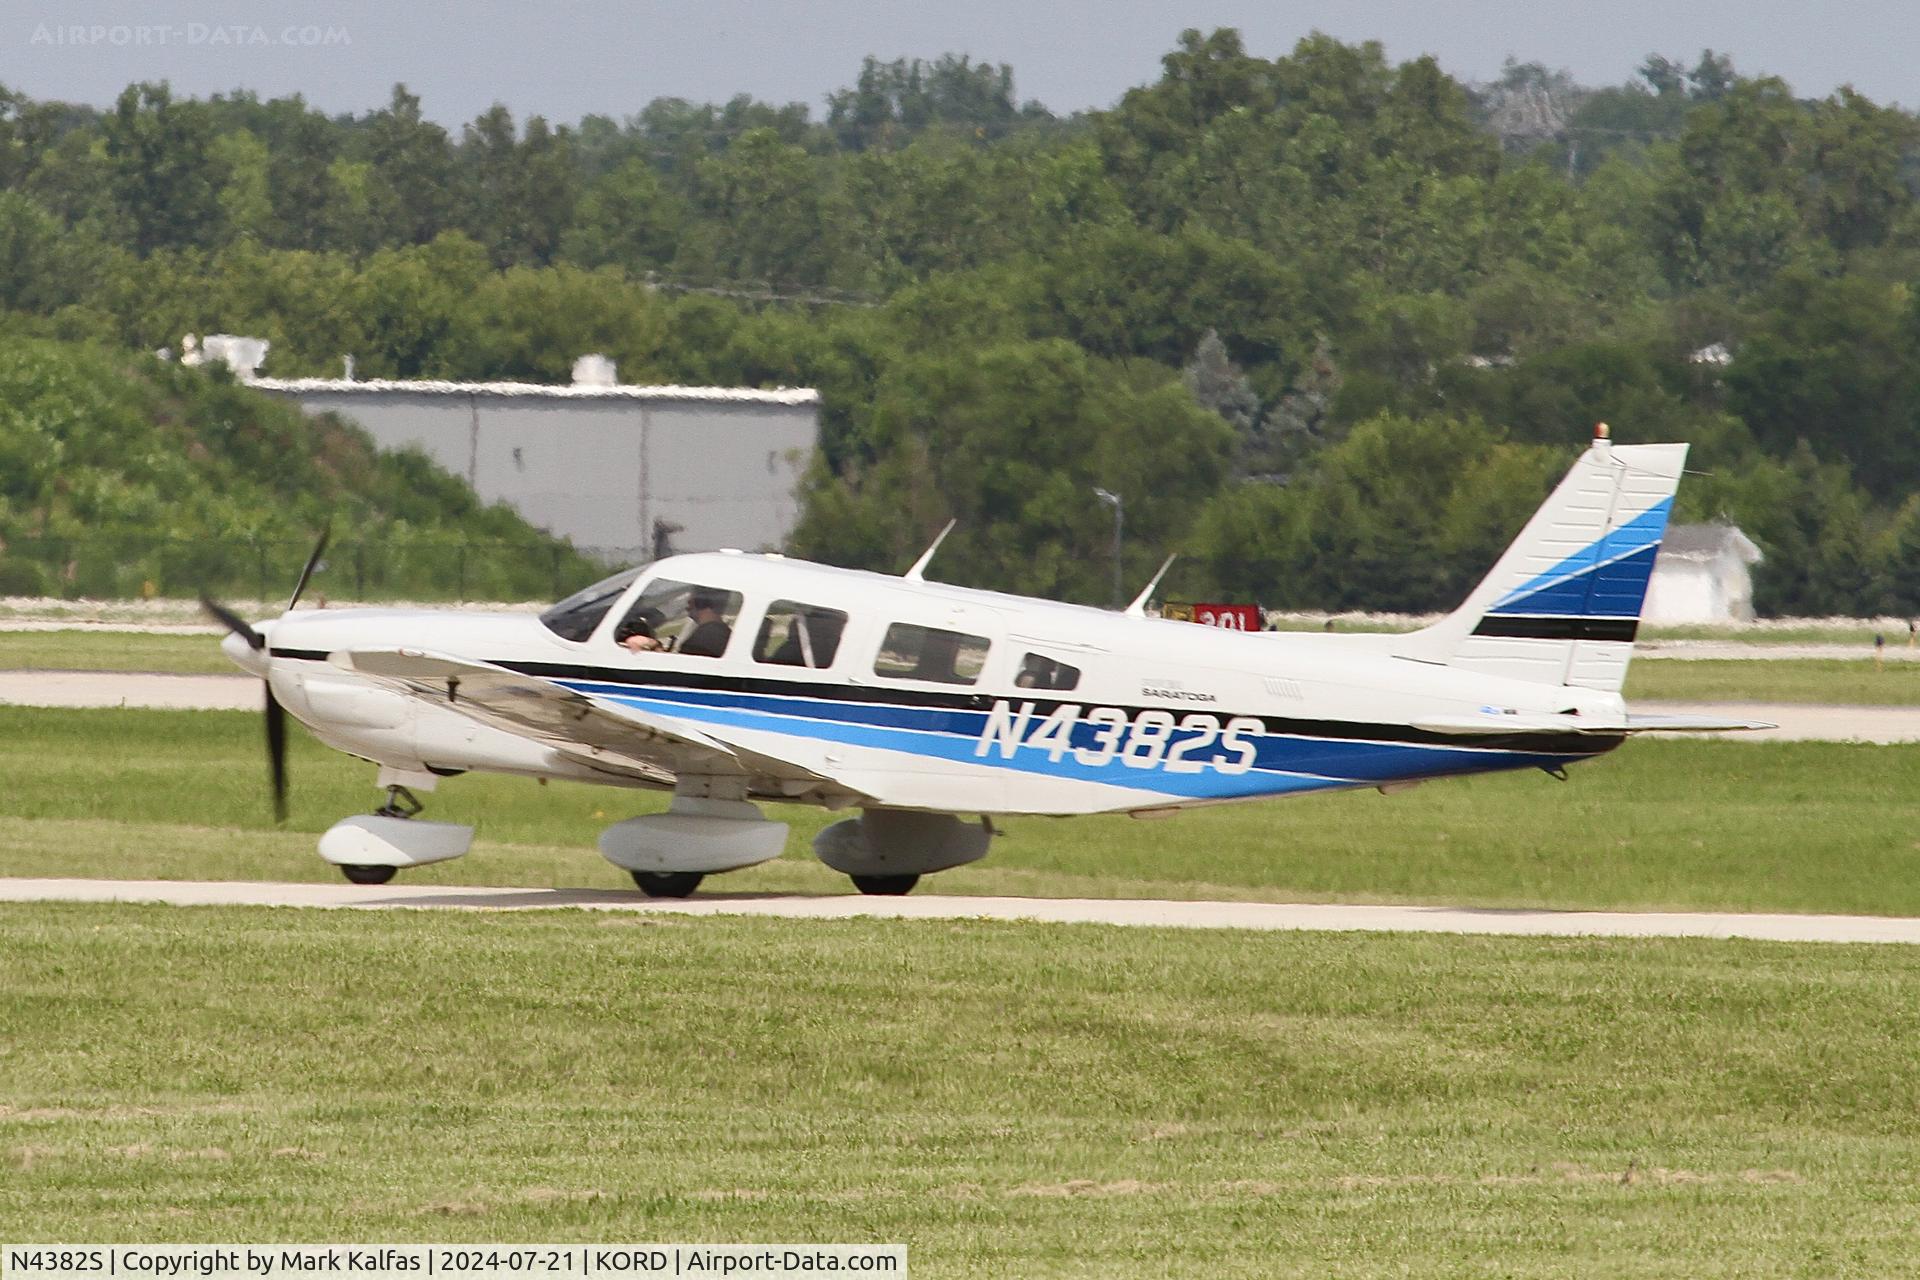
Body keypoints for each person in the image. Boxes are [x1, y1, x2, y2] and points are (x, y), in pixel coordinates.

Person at [677, 590, 732, 658]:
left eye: (690, 603)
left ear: (701, 603)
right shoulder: (723, 632)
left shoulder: (704, 637)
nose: (687, 607)